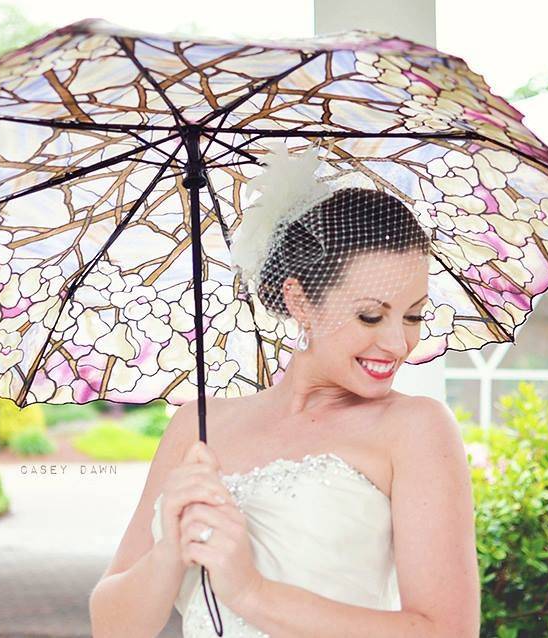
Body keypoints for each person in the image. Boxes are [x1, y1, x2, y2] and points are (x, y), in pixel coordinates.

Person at [89, 156, 481, 637]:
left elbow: (447, 631)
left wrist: (251, 592)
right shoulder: (199, 426)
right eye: (371, 317)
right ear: (299, 302)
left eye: (414, 316)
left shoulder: (415, 428)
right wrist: (170, 550)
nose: (399, 344)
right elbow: (113, 627)